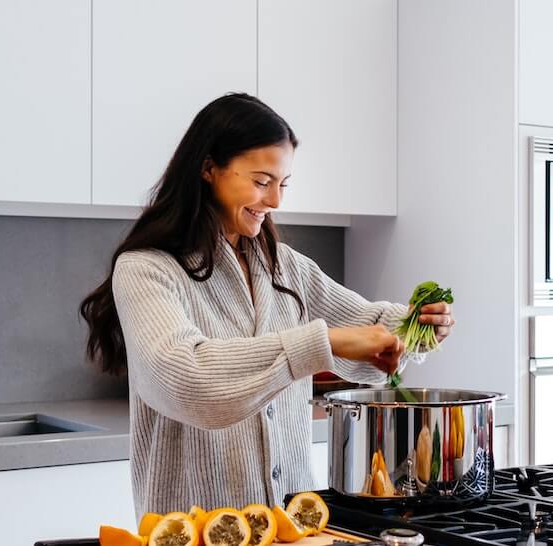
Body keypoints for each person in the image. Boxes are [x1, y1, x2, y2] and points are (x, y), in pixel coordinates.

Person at [79, 93, 454, 519]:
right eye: (261, 181)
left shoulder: (285, 266)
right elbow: (187, 380)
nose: (275, 200)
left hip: (292, 526)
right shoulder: (147, 270)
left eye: (283, 183)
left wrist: (417, 326)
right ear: (208, 169)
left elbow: (367, 326)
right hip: (193, 528)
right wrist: (320, 343)